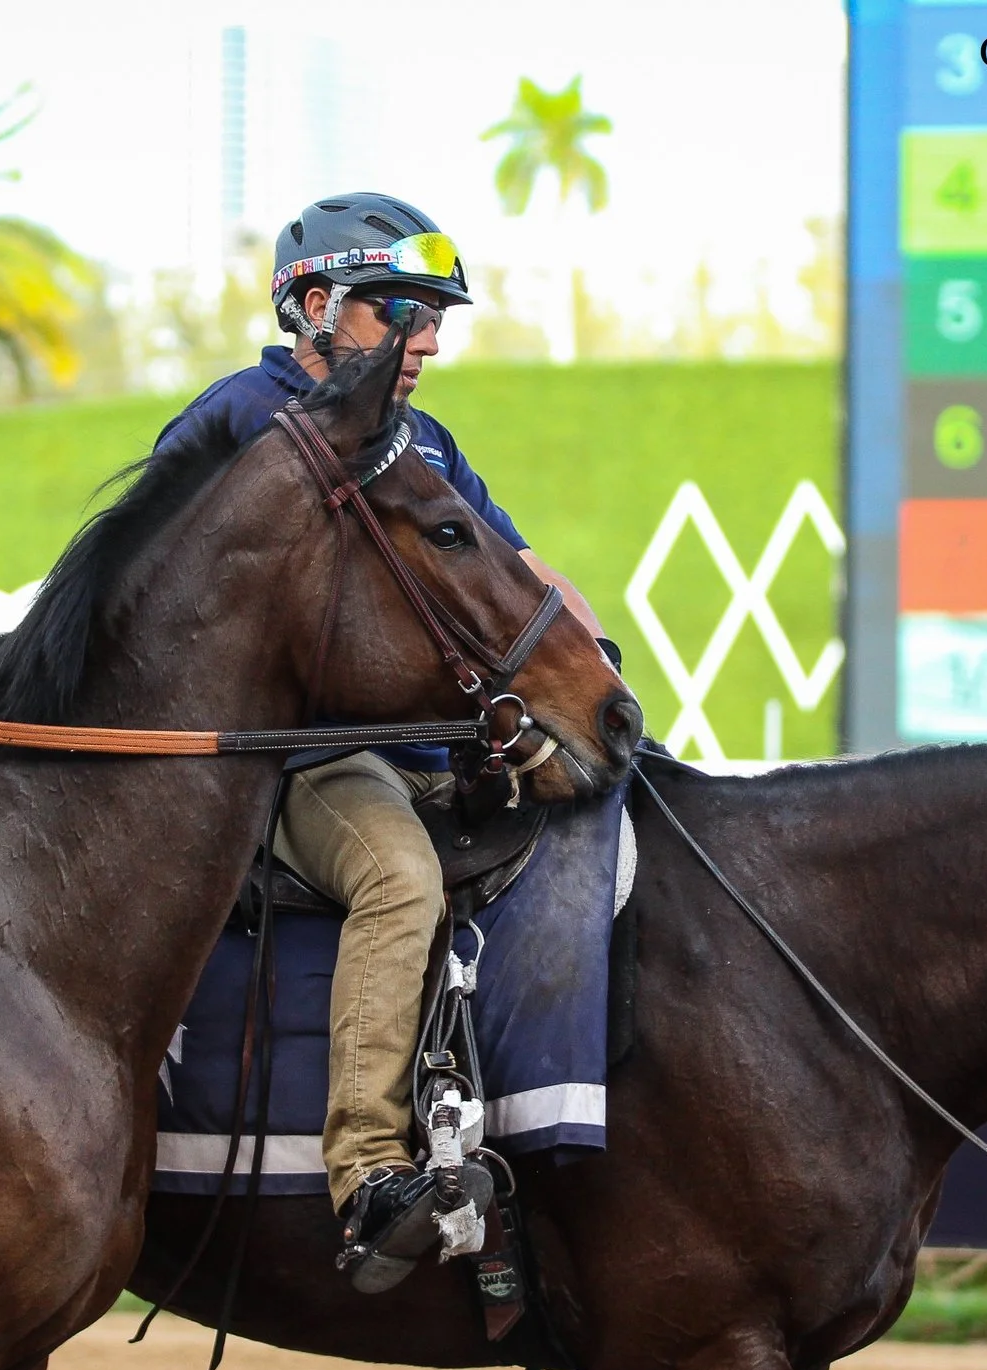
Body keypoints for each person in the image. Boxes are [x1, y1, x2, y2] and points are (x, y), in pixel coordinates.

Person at [156, 193, 614, 1290]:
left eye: (436, 316)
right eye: (399, 311)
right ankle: (368, 1172)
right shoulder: (237, 418)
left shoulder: (426, 441)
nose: (427, 340)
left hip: (414, 750)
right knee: (400, 875)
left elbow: (523, 572)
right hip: (287, 761)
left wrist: (597, 673)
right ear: (314, 306)